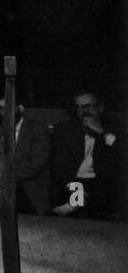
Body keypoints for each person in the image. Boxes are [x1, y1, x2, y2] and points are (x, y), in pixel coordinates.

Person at [50, 91, 119, 220]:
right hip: (74, 182)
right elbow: (60, 166)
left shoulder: (115, 128)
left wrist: (101, 133)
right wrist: (73, 187)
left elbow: (120, 154)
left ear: (100, 108)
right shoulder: (64, 130)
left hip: (103, 185)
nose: (84, 110)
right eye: (79, 107)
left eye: (89, 106)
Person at [0, 99, 50, 215]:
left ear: (20, 108)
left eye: (9, 107)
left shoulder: (37, 129)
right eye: (1, 108)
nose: (5, 112)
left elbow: (36, 164)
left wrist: (2, 176)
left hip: (29, 187)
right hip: (1, 186)